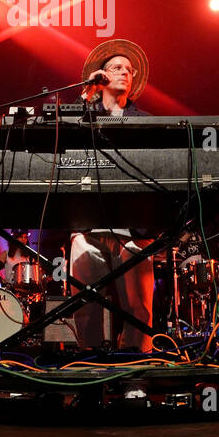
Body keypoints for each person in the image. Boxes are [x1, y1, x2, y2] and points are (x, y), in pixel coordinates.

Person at [68, 39, 156, 353]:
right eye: (116, 68)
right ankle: (89, 367)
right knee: (86, 305)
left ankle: (136, 372)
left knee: (138, 309)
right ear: (101, 76)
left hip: (133, 229)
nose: (124, 73)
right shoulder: (82, 116)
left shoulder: (146, 121)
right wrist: (85, 98)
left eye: (129, 70)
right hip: (88, 226)